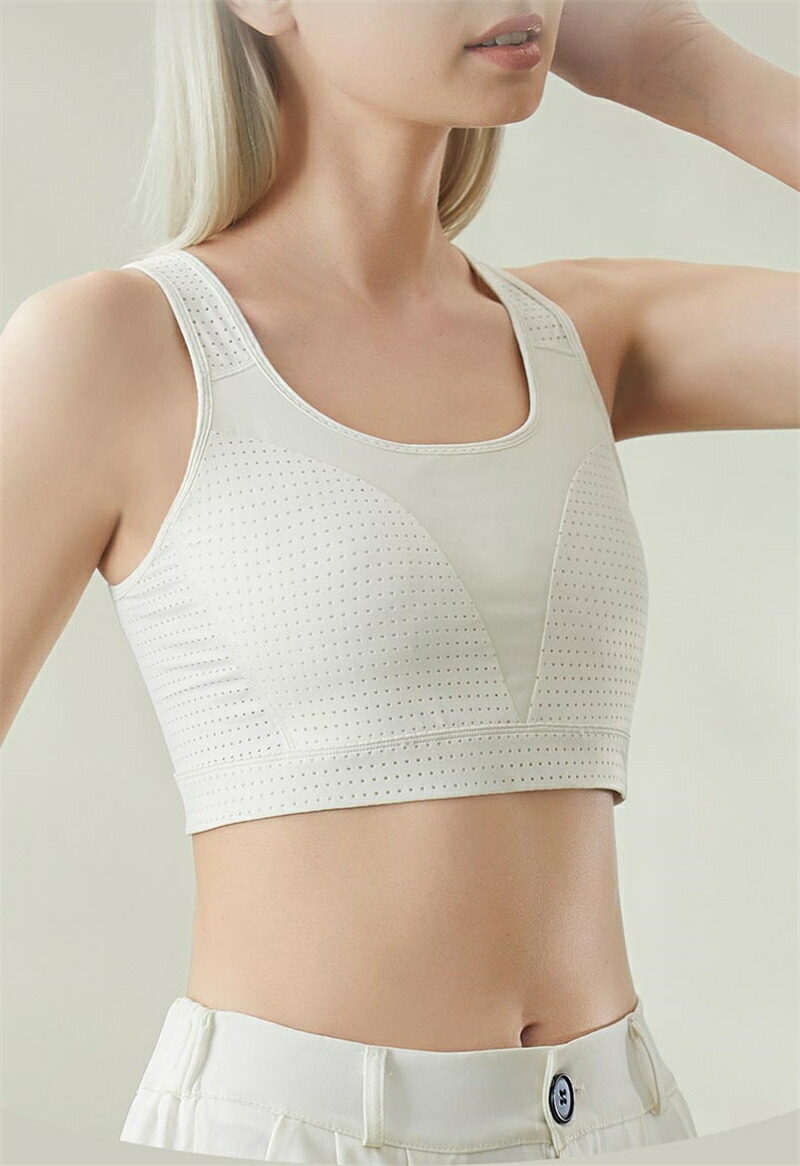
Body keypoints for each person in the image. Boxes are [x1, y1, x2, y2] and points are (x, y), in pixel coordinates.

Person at [1, 1, 797, 1161]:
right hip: (305, 1130)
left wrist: (677, 62)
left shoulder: (583, 334)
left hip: (619, 1116)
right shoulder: (123, 345)